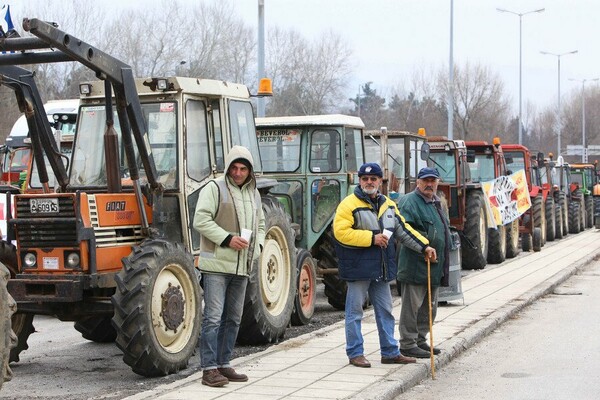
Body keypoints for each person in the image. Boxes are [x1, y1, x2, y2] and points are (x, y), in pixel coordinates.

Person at [333, 162, 437, 368]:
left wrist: (424, 246)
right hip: (358, 268)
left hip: (380, 269)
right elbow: (341, 233)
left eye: (373, 179)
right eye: (365, 179)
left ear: (380, 181)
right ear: (359, 181)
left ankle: (390, 352)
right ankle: (355, 353)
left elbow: (403, 230)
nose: (369, 182)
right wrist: (372, 238)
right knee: (355, 313)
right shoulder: (348, 204)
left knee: (386, 311)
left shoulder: (388, 205)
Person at [193, 146, 266, 387]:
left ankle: (224, 364)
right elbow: (200, 220)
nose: (238, 172)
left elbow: (261, 225)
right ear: (228, 167)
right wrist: (227, 239)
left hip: (242, 267)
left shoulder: (254, 194)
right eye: (234, 167)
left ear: (249, 170)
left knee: (233, 319)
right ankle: (208, 369)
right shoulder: (214, 188)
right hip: (215, 265)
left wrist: (258, 249)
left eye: (243, 168)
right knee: (213, 317)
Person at [397, 167, 450, 358]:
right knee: (412, 307)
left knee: (429, 307)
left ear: (437, 182)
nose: (429, 184)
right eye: (425, 180)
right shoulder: (409, 202)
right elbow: (405, 231)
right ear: (417, 182)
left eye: (433, 181)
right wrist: (424, 246)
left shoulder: (437, 202)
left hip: (434, 265)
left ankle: (420, 340)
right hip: (416, 264)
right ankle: (407, 343)